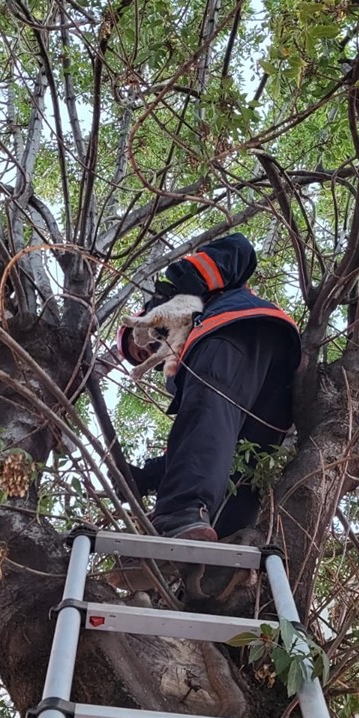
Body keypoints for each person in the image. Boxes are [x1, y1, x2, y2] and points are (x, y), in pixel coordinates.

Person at [119, 232, 301, 543]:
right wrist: (147, 477)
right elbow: (207, 444)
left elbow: (240, 248)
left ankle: (178, 516)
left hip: (234, 331)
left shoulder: (195, 306)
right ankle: (221, 561)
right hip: (275, 387)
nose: (149, 352)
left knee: (205, 411)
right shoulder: (180, 369)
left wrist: (189, 277)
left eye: (143, 345)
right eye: (144, 357)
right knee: (244, 475)